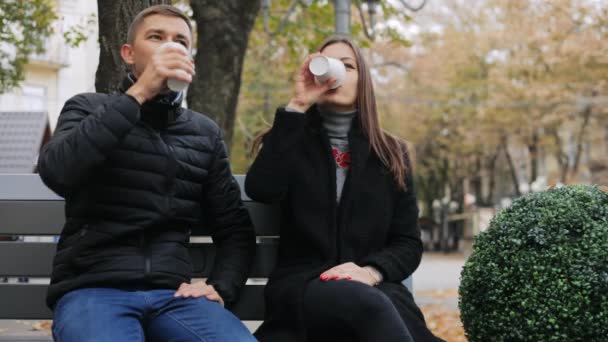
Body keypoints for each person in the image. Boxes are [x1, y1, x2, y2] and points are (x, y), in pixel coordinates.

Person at [38, 5, 257, 342]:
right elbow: (58, 171)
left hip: (174, 297)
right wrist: (139, 93)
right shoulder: (88, 108)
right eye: (156, 37)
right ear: (129, 53)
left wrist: (220, 287)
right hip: (93, 289)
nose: (169, 46)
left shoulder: (204, 133)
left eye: (180, 41)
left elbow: (234, 228)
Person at [245, 36, 443, 342]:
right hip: (304, 288)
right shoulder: (289, 136)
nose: (335, 72)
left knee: (386, 308)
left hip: (372, 289)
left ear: (363, 81)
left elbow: (407, 243)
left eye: (347, 66)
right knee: (372, 306)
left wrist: (370, 272)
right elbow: (262, 189)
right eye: (326, 64)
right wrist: (298, 104)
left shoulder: (391, 154)